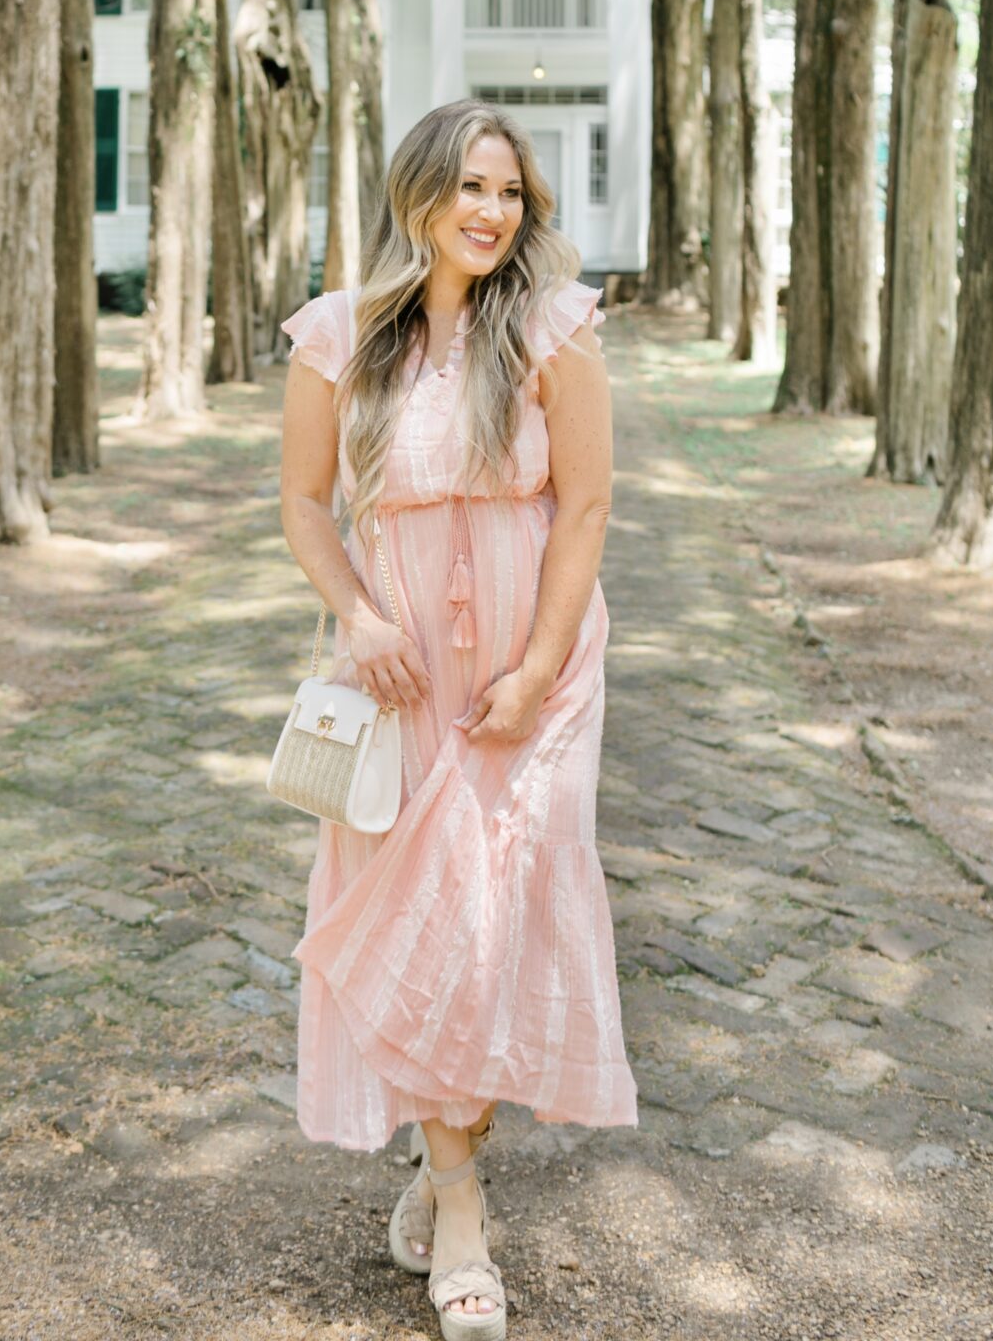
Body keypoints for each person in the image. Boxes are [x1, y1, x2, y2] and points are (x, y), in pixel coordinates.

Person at [277, 99, 638, 1340]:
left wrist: (538, 666)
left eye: (510, 192)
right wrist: (362, 620)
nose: (492, 211)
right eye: (470, 187)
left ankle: (448, 1174)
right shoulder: (343, 336)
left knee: (496, 923)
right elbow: (304, 503)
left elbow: (585, 506)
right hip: (406, 659)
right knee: (425, 917)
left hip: (535, 660)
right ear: (419, 195)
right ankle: (463, 1206)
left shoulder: (553, 326)